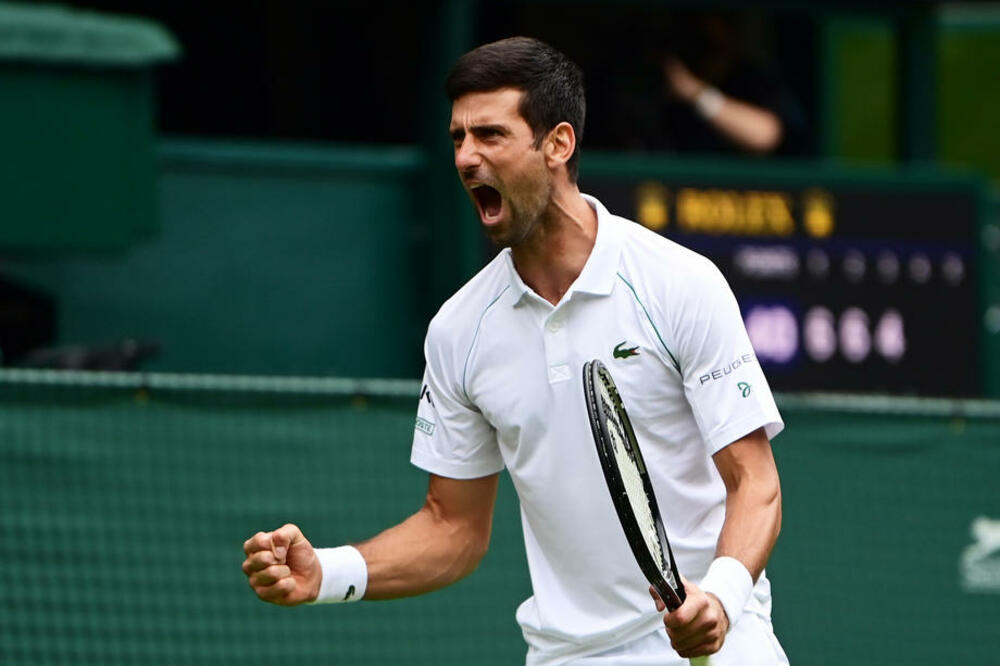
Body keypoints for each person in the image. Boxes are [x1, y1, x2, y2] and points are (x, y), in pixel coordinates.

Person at [242, 36, 787, 666]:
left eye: (490, 135)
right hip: (570, 656)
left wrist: (720, 598)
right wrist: (326, 573)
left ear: (558, 144)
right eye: (457, 138)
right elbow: (452, 528)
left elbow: (755, 481)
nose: (466, 157)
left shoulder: (679, 283)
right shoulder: (459, 330)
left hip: (725, 639)